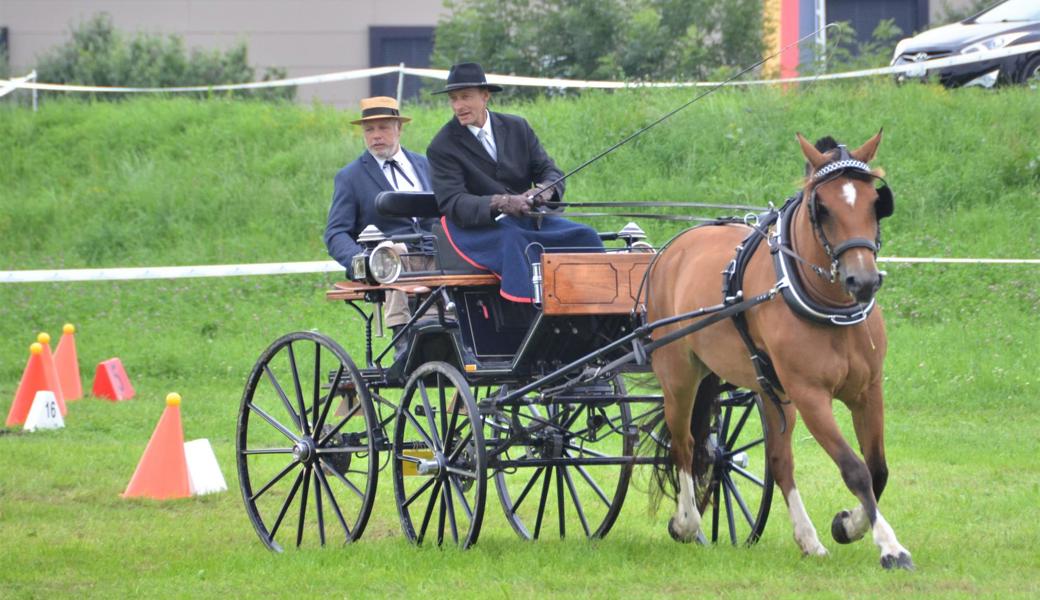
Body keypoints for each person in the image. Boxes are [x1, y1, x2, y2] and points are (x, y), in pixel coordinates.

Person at [426, 62, 603, 303]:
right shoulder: (442, 146)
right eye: (453, 99)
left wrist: (544, 191)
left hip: (529, 219)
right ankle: (532, 313)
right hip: (480, 229)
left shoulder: (517, 127)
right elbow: (453, 201)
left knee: (586, 236)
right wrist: (502, 202)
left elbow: (550, 170)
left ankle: (598, 308)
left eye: (465, 97)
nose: (458, 106)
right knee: (517, 243)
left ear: (485, 96)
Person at [324, 96, 435, 335]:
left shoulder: (426, 166)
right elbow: (336, 233)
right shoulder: (350, 177)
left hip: (434, 254)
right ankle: (402, 338)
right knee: (393, 252)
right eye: (369, 129)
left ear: (399, 128)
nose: (376, 136)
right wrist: (364, 262)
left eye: (383, 128)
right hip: (389, 263)